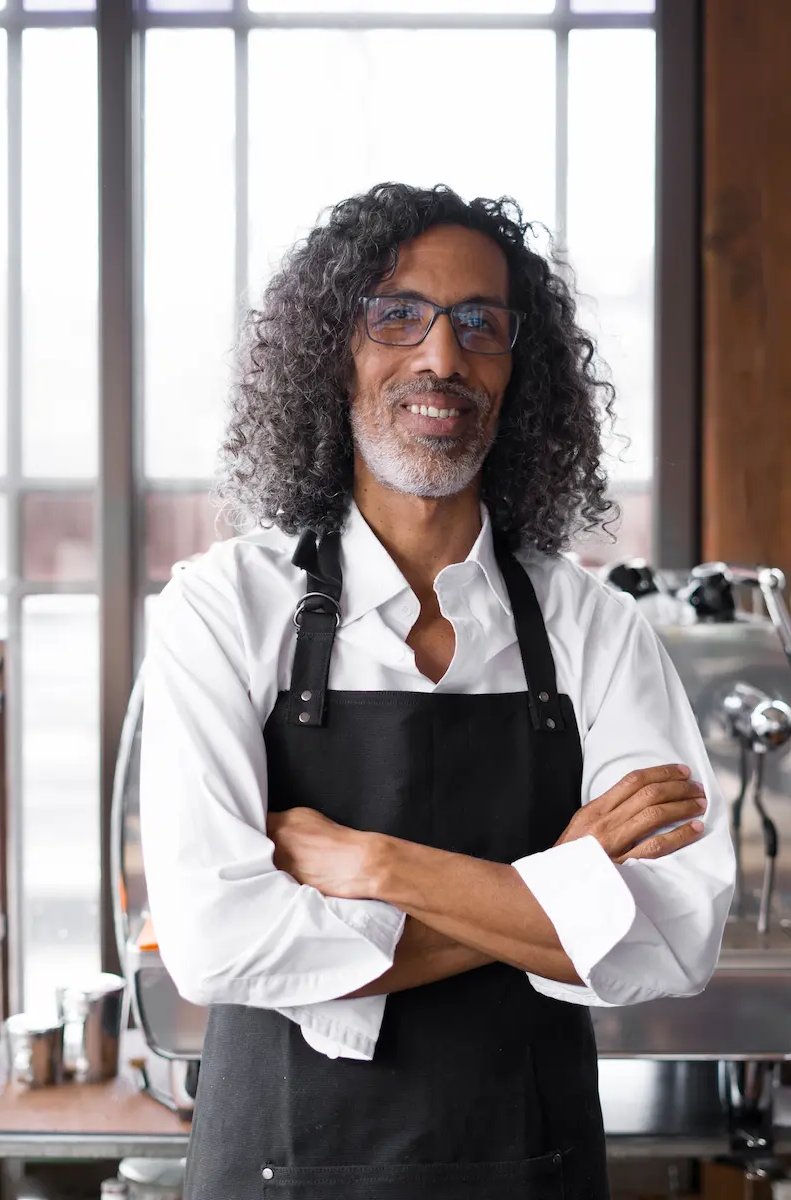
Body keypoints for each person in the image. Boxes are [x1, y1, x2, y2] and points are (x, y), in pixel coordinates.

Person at [139, 183, 735, 1200]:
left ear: (520, 369)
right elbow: (218, 945)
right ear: (335, 351)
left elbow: (673, 937)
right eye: (396, 315)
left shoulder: (592, 625)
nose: (441, 358)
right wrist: (557, 887)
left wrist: (375, 864)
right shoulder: (221, 607)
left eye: (479, 324)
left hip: (529, 1171)